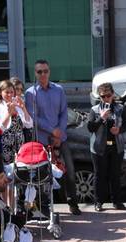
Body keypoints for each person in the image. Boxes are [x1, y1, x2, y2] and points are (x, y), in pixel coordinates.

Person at [25, 59, 81, 215]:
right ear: (35, 74)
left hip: (60, 138)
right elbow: (33, 117)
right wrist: (52, 130)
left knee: (69, 170)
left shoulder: (59, 90)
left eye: (45, 71)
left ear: (49, 72)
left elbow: (64, 112)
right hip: (42, 140)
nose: (43, 74)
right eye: (39, 72)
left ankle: (73, 203)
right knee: (43, 175)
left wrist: (59, 132)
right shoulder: (30, 93)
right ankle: (44, 208)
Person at [87, 82, 126, 212]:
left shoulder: (120, 108)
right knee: (99, 175)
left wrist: (119, 130)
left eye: (108, 96)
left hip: (116, 146)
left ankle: (117, 201)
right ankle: (98, 202)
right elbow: (90, 127)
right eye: (103, 96)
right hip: (99, 147)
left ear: (112, 95)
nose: (106, 99)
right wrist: (101, 118)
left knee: (115, 174)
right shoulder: (94, 110)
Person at [0, 79, 34, 167]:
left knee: (20, 173)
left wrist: (23, 108)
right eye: (7, 92)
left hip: (20, 148)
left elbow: (29, 124)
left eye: (12, 92)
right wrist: (9, 114)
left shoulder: (18, 107)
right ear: (0, 93)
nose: (10, 95)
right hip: (5, 148)